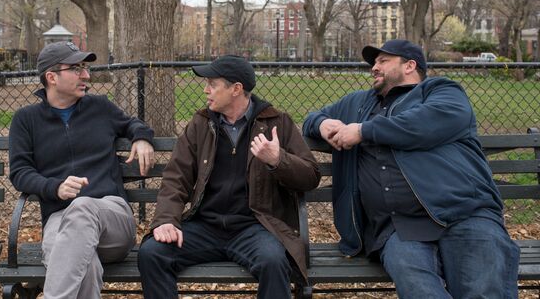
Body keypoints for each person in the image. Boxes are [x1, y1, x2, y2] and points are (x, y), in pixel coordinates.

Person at [303, 39, 520, 298]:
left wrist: (363, 130)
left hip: (464, 213)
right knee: (420, 290)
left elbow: (425, 123)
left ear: (410, 65)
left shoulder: (440, 91)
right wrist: (322, 123)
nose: (374, 67)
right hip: (397, 226)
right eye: (374, 62)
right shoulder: (358, 103)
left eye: (383, 61)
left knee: (485, 290)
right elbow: (311, 118)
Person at [138, 55, 320, 299]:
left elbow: (311, 176)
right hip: (204, 227)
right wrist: (166, 220)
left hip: (254, 228)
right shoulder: (201, 124)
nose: (206, 90)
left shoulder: (277, 122)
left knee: (274, 261)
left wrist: (278, 160)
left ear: (236, 89)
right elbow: (176, 177)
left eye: (212, 84)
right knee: (152, 253)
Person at [9, 41, 155, 299]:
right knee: (82, 263)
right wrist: (55, 187)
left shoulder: (100, 107)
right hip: (59, 218)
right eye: (76, 69)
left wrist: (142, 137)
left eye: (85, 68)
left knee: (82, 208)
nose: (86, 75)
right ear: (52, 77)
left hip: (112, 218)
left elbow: (133, 124)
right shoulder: (26, 120)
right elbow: (20, 172)